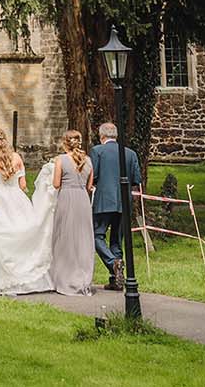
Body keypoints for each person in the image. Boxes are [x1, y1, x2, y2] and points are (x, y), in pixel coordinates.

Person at [0, 126, 56, 295]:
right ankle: (26, 276)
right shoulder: (16, 157)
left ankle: (0, 277)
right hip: (17, 197)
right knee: (22, 235)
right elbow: (23, 185)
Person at [88, 121, 142, 290]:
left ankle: (113, 264)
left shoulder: (97, 151)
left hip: (104, 200)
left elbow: (94, 175)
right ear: (116, 136)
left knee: (97, 235)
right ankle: (116, 279)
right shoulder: (130, 153)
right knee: (117, 240)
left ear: (101, 136)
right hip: (123, 202)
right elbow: (136, 179)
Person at [49, 130, 97, 295]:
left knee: (64, 237)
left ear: (64, 143)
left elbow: (56, 184)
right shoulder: (88, 161)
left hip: (67, 198)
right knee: (83, 238)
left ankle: (65, 277)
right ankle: (83, 277)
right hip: (82, 200)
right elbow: (90, 187)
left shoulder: (61, 160)